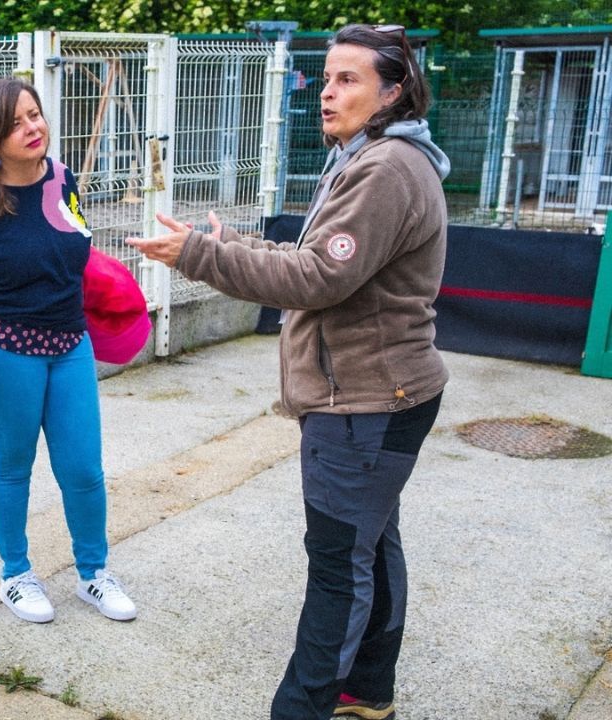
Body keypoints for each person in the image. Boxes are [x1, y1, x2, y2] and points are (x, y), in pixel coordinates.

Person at [128, 24, 450, 720]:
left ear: (393, 92)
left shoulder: (387, 168)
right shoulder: (366, 158)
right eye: (327, 78)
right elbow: (325, 260)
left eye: (348, 80)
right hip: (384, 395)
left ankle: (302, 708)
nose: (328, 92)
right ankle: (369, 691)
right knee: (369, 545)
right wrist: (228, 243)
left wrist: (198, 256)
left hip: (365, 403)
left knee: (338, 568)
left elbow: (318, 277)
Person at [0, 77, 138, 625]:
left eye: (36, 115)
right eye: (18, 122)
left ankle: (94, 574)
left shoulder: (63, 179)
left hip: (69, 343)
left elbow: (75, 247)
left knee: (84, 468)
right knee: (14, 466)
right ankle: (15, 575)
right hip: (3, 349)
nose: (33, 127)